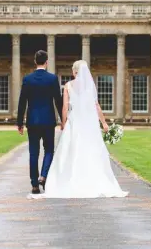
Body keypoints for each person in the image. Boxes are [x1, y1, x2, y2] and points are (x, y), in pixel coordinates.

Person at [30, 60, 128, 199]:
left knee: (71, 151)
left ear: (74, 72)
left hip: (74, 121)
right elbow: (96, 106)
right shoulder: (89, 87)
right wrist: (104, 123)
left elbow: (65, 107)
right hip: (88, 122)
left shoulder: (68, 86)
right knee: (90, 150)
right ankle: (91, 181)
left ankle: (70, 180)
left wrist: (63, 123)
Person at [17, 50, 63, 195]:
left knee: (33, 153)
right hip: (49, 120)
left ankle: (35, 185)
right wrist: (63, 120)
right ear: (47, 62)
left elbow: (22, 102)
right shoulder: (52, 79)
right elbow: (58, 100)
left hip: (32, 121)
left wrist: (19, 123)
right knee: (49, 150)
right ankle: (43, 175)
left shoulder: (27, 79)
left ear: (35, 61)